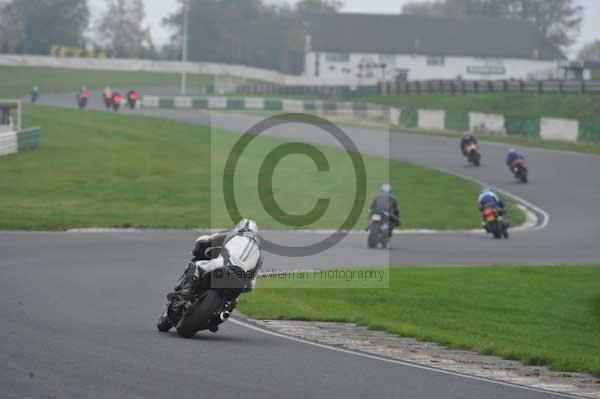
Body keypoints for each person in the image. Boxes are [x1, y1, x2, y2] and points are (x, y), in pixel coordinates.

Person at [171, 219, 263, 300]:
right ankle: (225, 309)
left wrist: (197, 252)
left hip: (222, 265)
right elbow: (251, 285)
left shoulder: (230, 234)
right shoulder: (260, 254)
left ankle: (186, 290)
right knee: (233, 300)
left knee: (196, 265)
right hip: (239, 279)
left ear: (238, 228)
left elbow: (204, 241)